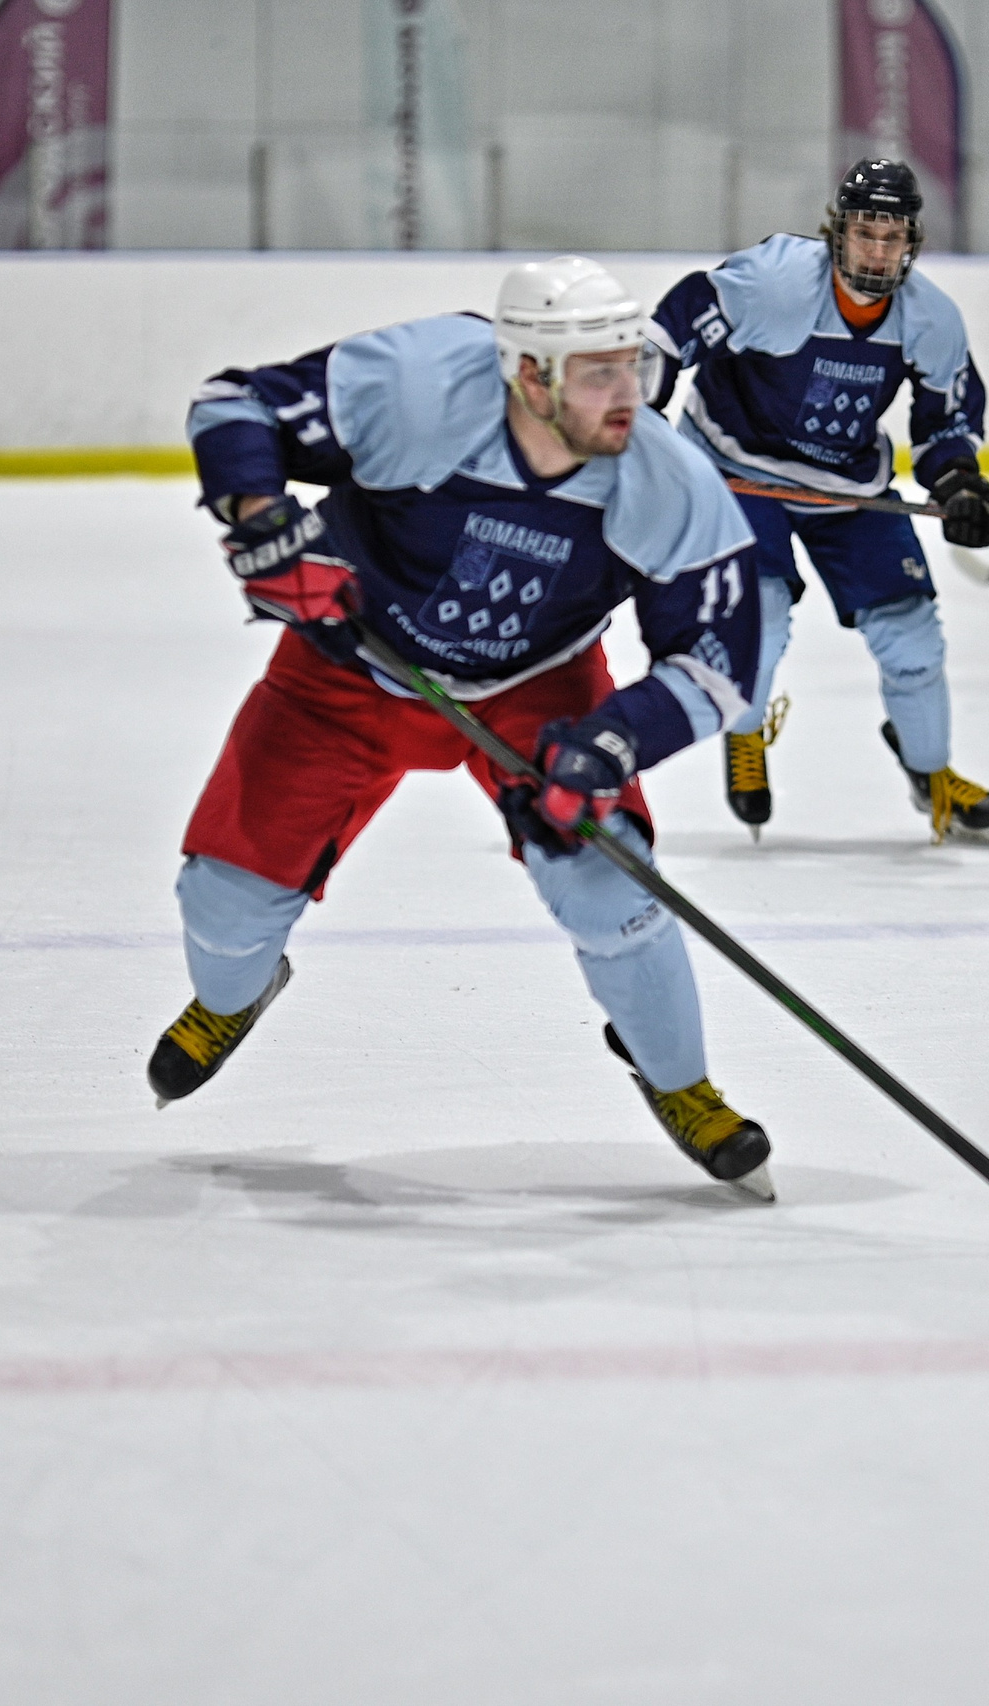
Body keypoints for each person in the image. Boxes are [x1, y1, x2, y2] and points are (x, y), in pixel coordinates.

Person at [152, 256, 777, 1198]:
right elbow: (232, 404)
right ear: (529, 373)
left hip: (538, 689)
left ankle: (682, 1084)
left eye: (632, 368)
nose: (629, 398)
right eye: (598, 373)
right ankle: (233, 995)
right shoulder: (418, 385)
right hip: (346, 670)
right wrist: (260, 518)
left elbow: (725, 660)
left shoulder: (661, 475)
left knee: (613, 891)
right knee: (223, 905)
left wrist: (613, 742)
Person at [647, 158, 989, 846]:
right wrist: (639, 410)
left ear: (912, 243)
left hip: (846, 485)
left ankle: (930, 774)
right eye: (865, 232)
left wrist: (962, 484)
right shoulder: (778, 282)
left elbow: (946, 425)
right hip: (735, 467)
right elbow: (673, 331)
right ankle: (746, 733)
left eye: (893, 236)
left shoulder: (931, 319)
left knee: (912, 636)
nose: (878, 251)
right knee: (760, 620)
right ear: (837, 232)